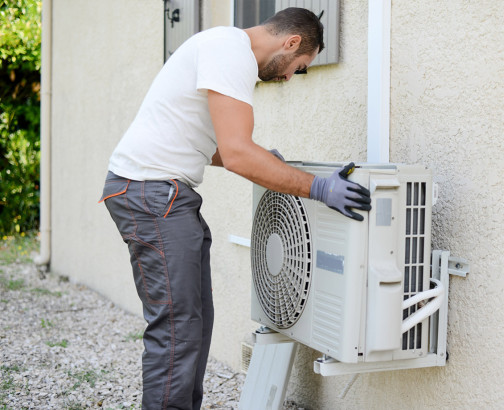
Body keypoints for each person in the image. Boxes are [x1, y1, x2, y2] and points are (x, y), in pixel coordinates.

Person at [99, 7, 371, 410]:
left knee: (194, 323)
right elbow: (239, 154)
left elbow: (209, 146)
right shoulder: (231, 53)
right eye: (299, 68)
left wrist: (269, 163)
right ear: (291, 43)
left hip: (156, 193)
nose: (288, 78)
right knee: (177, 329)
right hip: (152, 195)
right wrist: (318, 188)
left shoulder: (220, 48)